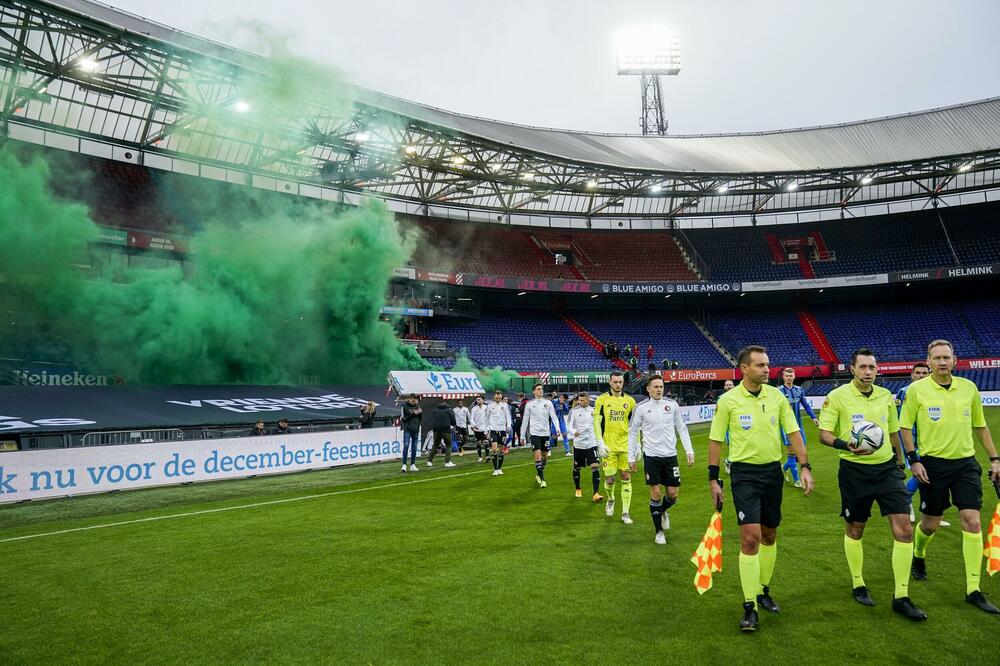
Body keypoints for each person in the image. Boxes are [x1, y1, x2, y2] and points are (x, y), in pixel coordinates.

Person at [708, 345, 813, 632]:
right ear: (744, 368)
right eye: (761, 365)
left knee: (769, 534)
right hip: (744, 475)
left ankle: (764, 590)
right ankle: (749, 606)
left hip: (772, 473)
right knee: (750, 538)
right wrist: (713, 478)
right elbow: (716, 440)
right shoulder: (728, 401)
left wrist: (805, 466)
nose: (768, 370)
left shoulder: (777, 397)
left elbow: (793, 433)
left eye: (768, 365)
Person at [817, 348, 926, 620]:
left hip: (887, 470)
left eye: (872, 367)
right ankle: (858, 582)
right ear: (852, 369)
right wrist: (846, 445)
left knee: (904, 530)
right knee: (856, 528)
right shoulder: (837, 397)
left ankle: (901, 596)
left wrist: (900, 463)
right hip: (854, 472)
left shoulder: (886, 397)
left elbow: (892, 432)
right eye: (863, 367)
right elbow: (824, 435)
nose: (868, 372)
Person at [899, 339, 1000, 614]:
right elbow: (904, 428)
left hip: (965, 464)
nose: (942, 362)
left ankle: (973, 589)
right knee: (930, 523)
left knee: (973, 521)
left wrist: (994, 458)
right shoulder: (916, 391)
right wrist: (914, 460)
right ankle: (919, 554)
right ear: (928, 361)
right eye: (937, 358)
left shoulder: (968, 388)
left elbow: (980, 426)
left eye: (947, 357)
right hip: (932, 465)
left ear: (954, 360)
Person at [628, 375, 694, 545]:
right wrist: (631, 455)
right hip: (651, 456)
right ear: (648, 389)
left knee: (672, 494)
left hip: (670, 456)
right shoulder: (641, 408)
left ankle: (662, 511)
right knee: (656, 493)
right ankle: (659, 531)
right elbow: (633, 432)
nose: (659, 389)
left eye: (661, 386)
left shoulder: (672, 405)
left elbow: (681, 427)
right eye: (655, 386)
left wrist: (689, 450)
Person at [593, 371, 638, 524]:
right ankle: (611, 499)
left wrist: (637, 443)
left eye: (620, 382)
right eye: (615, 382)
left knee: (626, 476)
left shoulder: (631, 401)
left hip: (625, 445)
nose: (618, 384)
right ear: (610, 382)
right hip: (608, 446)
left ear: (623, 383)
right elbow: (597, 422)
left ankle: (625, 513)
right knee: (610, 479)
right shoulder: (602, 400)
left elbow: (635, 425)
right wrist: (600, 441)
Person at [896, 362, 932, 523]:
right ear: (912, 375)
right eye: (918, 373)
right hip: (912, 441)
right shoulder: (904, 393)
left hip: (932, 441)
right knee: (923, 473)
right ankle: (906, 499)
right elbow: (899, 421)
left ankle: (931, 512)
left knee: (931, 476)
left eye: (924, 373)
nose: (921, 376)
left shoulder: (933, 391)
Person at [778, 368, 819, 488]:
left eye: (791, 375)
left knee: (801, 452)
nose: (789, 377)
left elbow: (805, 404)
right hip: (786, 427)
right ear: (783, 377)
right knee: (791, 452)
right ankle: (796, 480)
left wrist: (813, 417)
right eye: (787, 375)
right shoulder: (779, 392)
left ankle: (784, 467)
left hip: (799, 426)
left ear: (794, 376)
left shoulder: (799, 390)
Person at [520, 383, 562, 488]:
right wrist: (522, 436)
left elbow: (554, 417)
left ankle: (538, 474)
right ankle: (543, 480)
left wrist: (557, 428)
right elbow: (525, 420)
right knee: (537, 456)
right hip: (535, 434)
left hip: (545, 434)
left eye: (541, 389)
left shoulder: (548, 403)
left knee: (545, 456)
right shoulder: (529, 404)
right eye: (538, 389)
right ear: (534, 391)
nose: (540, 390)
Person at [569, 392, 603, 501]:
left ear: (588, 400)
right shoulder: (573, 411)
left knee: (595, 466)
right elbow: (569, 425)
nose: (580, 402)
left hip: (591, 443)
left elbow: (599, 425)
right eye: (579, 400)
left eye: (583, 400)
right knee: (577, 467)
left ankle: (596, 493)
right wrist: (574, 431)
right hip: (579, 444)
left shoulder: (594, 411)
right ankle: (578, 488)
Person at [486, 390, 513, 476]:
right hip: (493, 430)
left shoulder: (505, 406)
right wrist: (487, 430)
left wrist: (508, 425)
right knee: (494, 449)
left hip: (502, 430)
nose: (498, 399)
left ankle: (500, 468)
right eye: (496, 397)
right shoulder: (490, 406)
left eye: (499, 397)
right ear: (493, 397)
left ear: (501, 397)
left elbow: (508, 416)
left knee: (501, 450)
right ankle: (495, 469)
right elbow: (486, 418)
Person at [426, 400, 457, 468]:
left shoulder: (436, 410)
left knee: (435, 444)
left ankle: (429, 461)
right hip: (445, 429)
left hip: (436, 430)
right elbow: (453, 422)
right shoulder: (449, 410)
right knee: (449, 445)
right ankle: (447, 461)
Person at [400, 394, 422, 472]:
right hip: (407, 429)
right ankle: (404, 465)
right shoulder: (404, 406)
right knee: (406, 446)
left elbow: (420, 418)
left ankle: (412, 464)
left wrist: (420, 413)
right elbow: (403, 419)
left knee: (414, 447)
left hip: (415, 429)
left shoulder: (417, 406)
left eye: (415, 400)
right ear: (409, 399)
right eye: (413, 400)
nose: (414, 402)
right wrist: (414, 414)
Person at [721, 379, 736, 474]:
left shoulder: (738, 397)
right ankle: (728, 462)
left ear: (733, 386)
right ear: (724, 387)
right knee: (734, 447)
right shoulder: (721, 398)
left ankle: (730, 462)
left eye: (730, 385)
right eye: (727, 385)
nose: (729, 386)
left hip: (738, 426)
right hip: (728, 428)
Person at [470, 396, 488, 462]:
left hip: (485, 428)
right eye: (477, 400)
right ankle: (480, 456)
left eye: (479, 399)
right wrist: (474, 425)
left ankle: (487, 456)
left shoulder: (486, 408)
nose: (478, 401)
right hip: (477, 429)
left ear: (483, 400)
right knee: (478, 443)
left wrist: (488, 427)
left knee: (486, 442)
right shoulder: (474, 409)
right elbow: (471, 418)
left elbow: (488, 418)